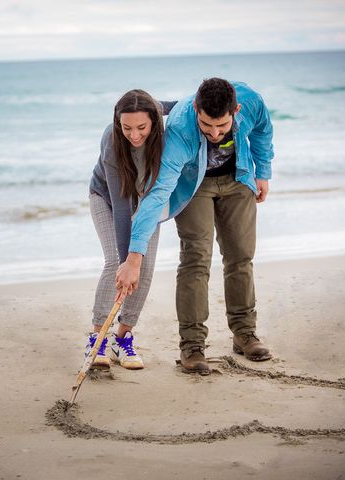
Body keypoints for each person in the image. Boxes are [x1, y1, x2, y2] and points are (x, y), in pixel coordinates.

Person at [116, 78, 274, 375]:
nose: (214, 134)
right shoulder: (180, 129)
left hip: (238, 179)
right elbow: (160, 190)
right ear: (195, 108)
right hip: (194, 186)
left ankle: (245, 333)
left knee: (241, 255)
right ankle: (192, 346)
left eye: (222, 127)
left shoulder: (252, 102)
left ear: (236, 110)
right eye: (206, 126)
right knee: (196, 259)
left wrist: (263, 172)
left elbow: (264, 132)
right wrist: (134, 255)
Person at [87, 89, 176, 370]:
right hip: (109, 197)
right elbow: (122, 205)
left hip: (149, 200)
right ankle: (98, 337)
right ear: (118, 123)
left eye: (141, 127)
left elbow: (189, 105)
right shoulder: (112, 141)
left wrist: (135, 264)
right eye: (127, 128)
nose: (134, 135)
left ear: (154, 119)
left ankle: (122, 338)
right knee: (117, 261)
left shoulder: (164, 126)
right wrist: (128, 261)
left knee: (144, 267)